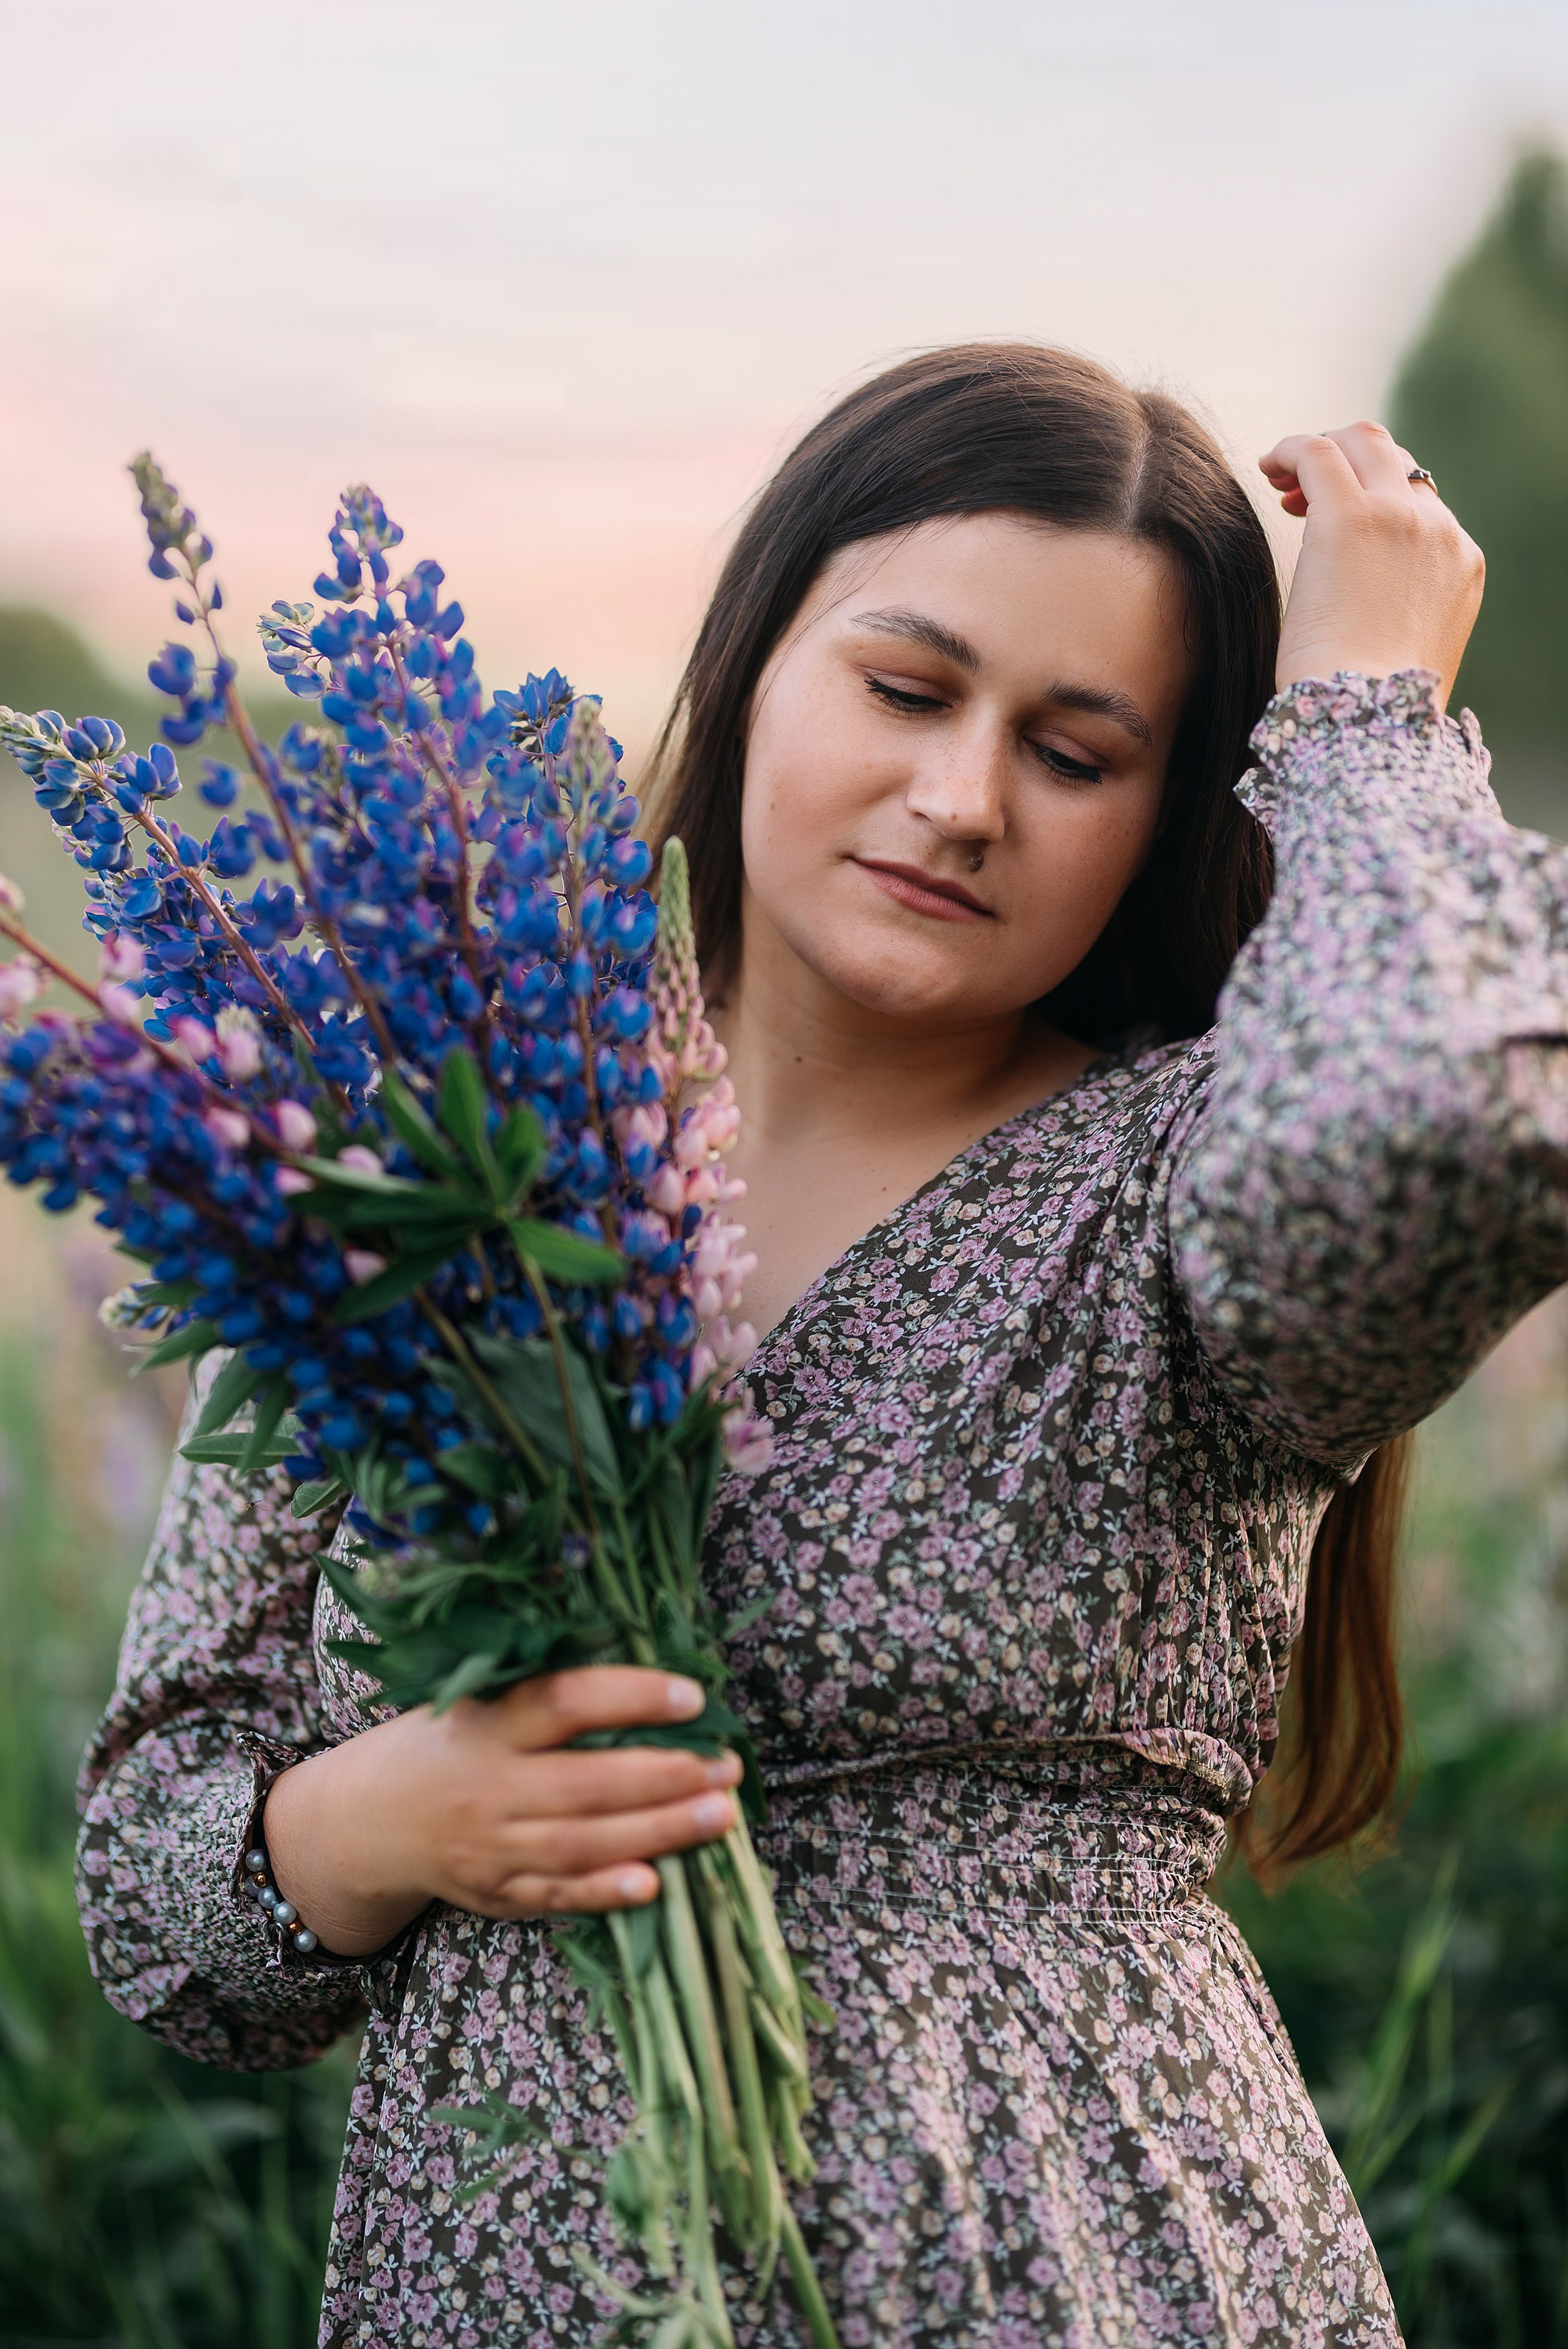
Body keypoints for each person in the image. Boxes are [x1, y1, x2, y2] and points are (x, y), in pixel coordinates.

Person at [76, 342, 1557, 2349]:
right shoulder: (411, 1156)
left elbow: (1473, 1111)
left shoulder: (1177, 1200)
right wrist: (393, 1815)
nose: (960, 800)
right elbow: (164, 1914)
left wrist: (1368, 709)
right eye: (906, 685)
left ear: (1171, 809)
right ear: (761, 650)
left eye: (1078, 748)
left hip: (1073, 2264)